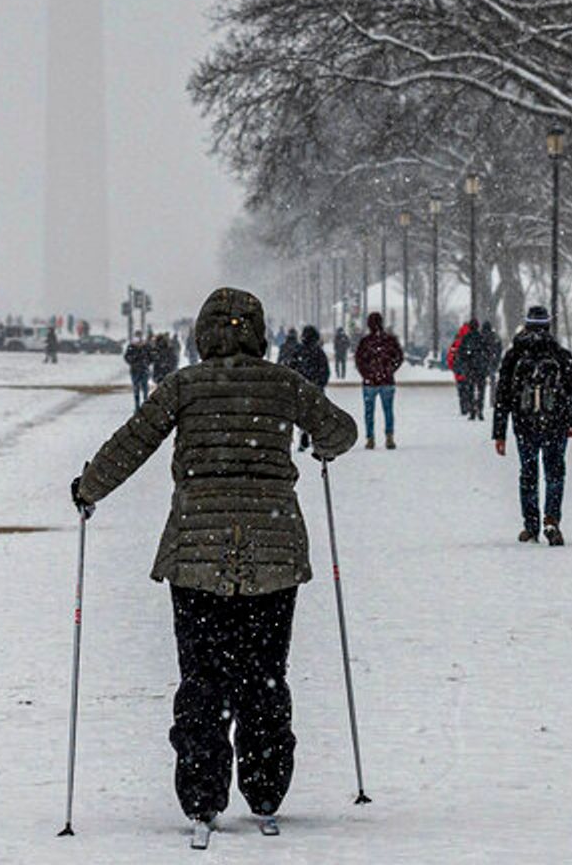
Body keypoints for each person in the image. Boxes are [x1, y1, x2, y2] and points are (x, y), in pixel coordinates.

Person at [70, 287, 357, 837]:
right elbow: (340, 431)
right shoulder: (283, 384)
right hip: (273, 554)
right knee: (265, 676)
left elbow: (133, 442)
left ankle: (202, 794)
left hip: (196, 557)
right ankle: (266, 787)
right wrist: (319, 446)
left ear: (204, 333)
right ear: (258, 331)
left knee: (202, 679)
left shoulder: (184, 386)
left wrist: (89, 488)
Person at [492, 306, 572, 544]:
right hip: (556, 423)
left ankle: (530, 525)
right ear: (548, 326)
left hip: (524, 424)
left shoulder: (514, 355)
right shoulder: (559, 354)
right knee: (555, 473)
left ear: (526, 325)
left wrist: (499, 433)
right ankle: (552, 520)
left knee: (528, 474)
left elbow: (502, 395)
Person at [352, 311, 403, 450]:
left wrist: (366, 374)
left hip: (370, 382)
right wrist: (389, 370)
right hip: (387, 381)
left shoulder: (365, 342)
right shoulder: (390, 340)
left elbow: (359, 360)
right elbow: (399, 357)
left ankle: (370, 438)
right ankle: (389, 436)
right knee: (388, 410)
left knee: (369, 411)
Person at [446, 320, 472, 417]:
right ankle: (470, 406)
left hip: (459, 372)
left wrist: (453, 367)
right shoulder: (471, 340)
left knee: (461, 391)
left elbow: (450, 357)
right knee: (470, 389)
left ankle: (463, 407)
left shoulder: (457, 342)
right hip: (470, 371)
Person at [125, 337, 152, 410]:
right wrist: (133, 360)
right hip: (136, 370)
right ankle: (137, 405)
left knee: (145, 387)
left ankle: (145, 404)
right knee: (137, 388)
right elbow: (127, 357)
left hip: (143, 369)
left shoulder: (145, 347)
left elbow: (151, 357)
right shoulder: (132, 347)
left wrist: (147, 362)